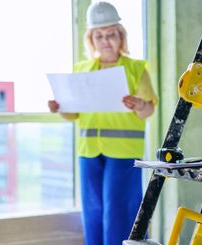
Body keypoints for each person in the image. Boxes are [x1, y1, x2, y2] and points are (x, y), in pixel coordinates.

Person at [48, 2, 157, 245]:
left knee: (118, 212)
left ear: (121, 36)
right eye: (99, 36)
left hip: (123, 153)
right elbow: (73, 114)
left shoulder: (136, 69)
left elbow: (148, 110)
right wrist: (60, 108)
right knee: (93, 212)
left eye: (111, 34)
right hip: (88, 151)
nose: (105, 40)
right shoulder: (82, 69)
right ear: (91, 39)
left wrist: (139, 104)